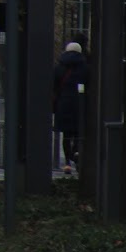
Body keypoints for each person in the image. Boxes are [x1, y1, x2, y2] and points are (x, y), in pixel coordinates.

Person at [53, 40, 88, 173]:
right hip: (80, 104)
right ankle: (77, 152)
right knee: (79, 133)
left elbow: (54, 86)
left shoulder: (59, 67)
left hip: (63, 104)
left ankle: (67, 162)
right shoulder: (85, 68)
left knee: (66, 134)